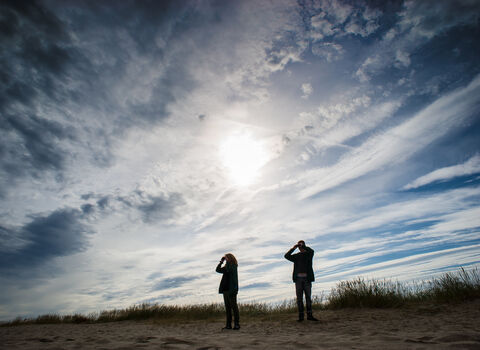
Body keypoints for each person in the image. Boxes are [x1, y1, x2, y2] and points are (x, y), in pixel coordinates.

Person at [284, 240, 318, 322]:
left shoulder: (309, 254)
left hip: (307, 279)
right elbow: (286, 256)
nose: (300, 247)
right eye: (299, 245)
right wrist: (293, 248)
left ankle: (310, 316)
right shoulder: (296, 256)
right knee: (299, 299)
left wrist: (303, 246)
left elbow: (311, 250)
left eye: (301, 245)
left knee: (308, 298)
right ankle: (301, 317)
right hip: (298, 280)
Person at [216, 253, 240, 330]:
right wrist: (221, 262)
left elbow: (229, 269)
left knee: (234, 307)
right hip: (225, 290)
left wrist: (227, 262)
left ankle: (237, 324)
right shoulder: (226, 267)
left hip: (232, 290)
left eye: (226, 258)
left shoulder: (233, 266)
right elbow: (217, 270)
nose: (225, 259)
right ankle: (228, 325)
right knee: (228, 308)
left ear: (229, 258)